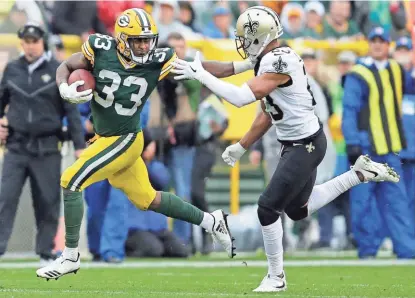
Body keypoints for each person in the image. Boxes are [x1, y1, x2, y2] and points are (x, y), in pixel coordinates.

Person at [171, 6, 400, 292]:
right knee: (298, 210)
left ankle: (276, 277)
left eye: (245, 37)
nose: (242, 43)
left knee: (267, 208)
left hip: (306, 144)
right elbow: (236, 77)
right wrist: (195, 67)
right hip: (298, 143)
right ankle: (359, 175)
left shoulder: (278, 63)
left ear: (261, 37)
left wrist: (201, 76)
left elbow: (242, 98)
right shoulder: (268, 56)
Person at [36, 8, 234, 280]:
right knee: (148, 199)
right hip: (108, 138)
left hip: (125, 138)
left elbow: (201, 69)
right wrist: (62, 88)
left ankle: (70, 257)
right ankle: (212, 222)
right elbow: (67, 66)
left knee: (70, 180)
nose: (143, 45)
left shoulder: (156, 60)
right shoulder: (101, 48)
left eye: (147, 39)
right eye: (137, 40)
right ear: (121, 39)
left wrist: (244, 67)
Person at [0, 22, 85, 264]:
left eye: (34, 41)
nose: (30, 46)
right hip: (16, 145)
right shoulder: (13, 69)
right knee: (5, 198)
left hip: (47, 146)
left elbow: (72, 112)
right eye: (26, 41)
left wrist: (80, 146)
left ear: (42, 42)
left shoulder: (58, 70)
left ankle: (46, 251)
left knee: (47, 200)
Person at [342, 27, 415, 259]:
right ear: (368, 45)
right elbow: (349, 110)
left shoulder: (397, 70)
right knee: (362, 203)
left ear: (387, 45)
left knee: (398, 203)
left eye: (381, 41)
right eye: (373, 41)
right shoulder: (358, 74)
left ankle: (406, 250)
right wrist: (352, 141)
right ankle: (367, 250)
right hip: (366, 148)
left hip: (391, 149)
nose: (377, 45)